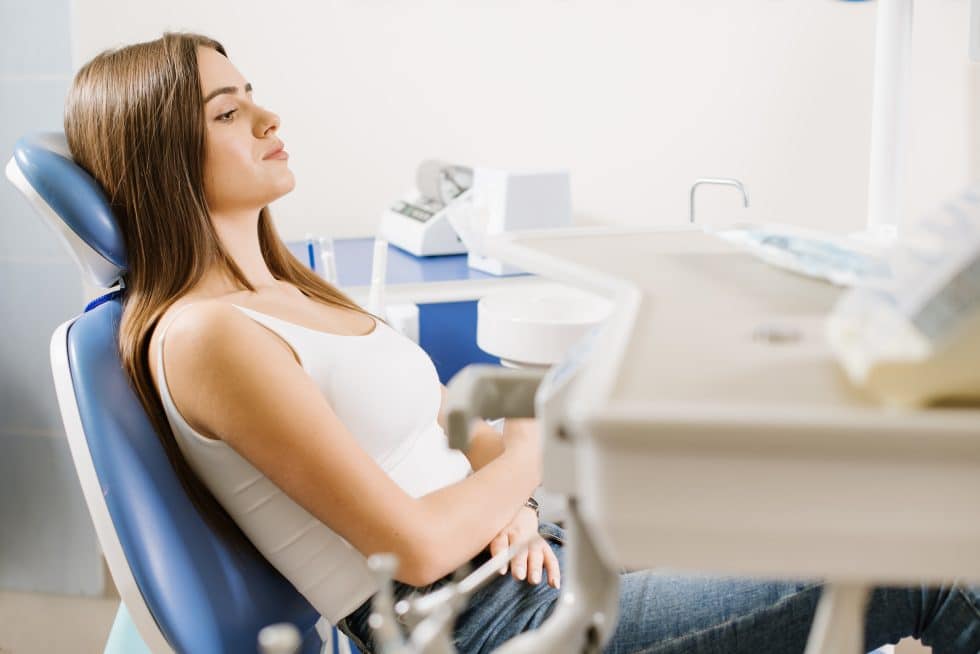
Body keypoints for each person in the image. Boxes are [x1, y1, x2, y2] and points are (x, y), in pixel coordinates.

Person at [63, 32, 979, 654]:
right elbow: (414, 551)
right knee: (926, 561)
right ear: (160, 155)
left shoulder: (287, 289)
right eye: (227, 114)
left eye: (252, 96)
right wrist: (533, 457)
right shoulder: (207, 334)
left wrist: (507, 503)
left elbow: (439, 448)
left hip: (517, 560)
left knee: (839, 501)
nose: (268, 119)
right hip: (488, 627)